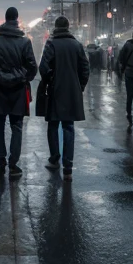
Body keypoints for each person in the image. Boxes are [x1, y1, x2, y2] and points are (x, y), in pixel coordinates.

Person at [0, 7, 38, 176]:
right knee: (17, 126)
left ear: (5, 19)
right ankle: (13, 164)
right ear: (17, 19)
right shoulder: (25, 42)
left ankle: (0, 160)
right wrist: (21, 77)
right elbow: (32, 68)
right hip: (18, 90)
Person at [40, 16, 88, 182]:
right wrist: (79, 86)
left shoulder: (51, 43)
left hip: (55, 90)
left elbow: (43, 67)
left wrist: (49, 80)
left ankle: (54, 159)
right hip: (72, 91)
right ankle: (68, 167)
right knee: (68, 126)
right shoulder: (76, 45)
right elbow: (85, 68)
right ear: (68, 27)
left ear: (56, 27)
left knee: (53, 125)